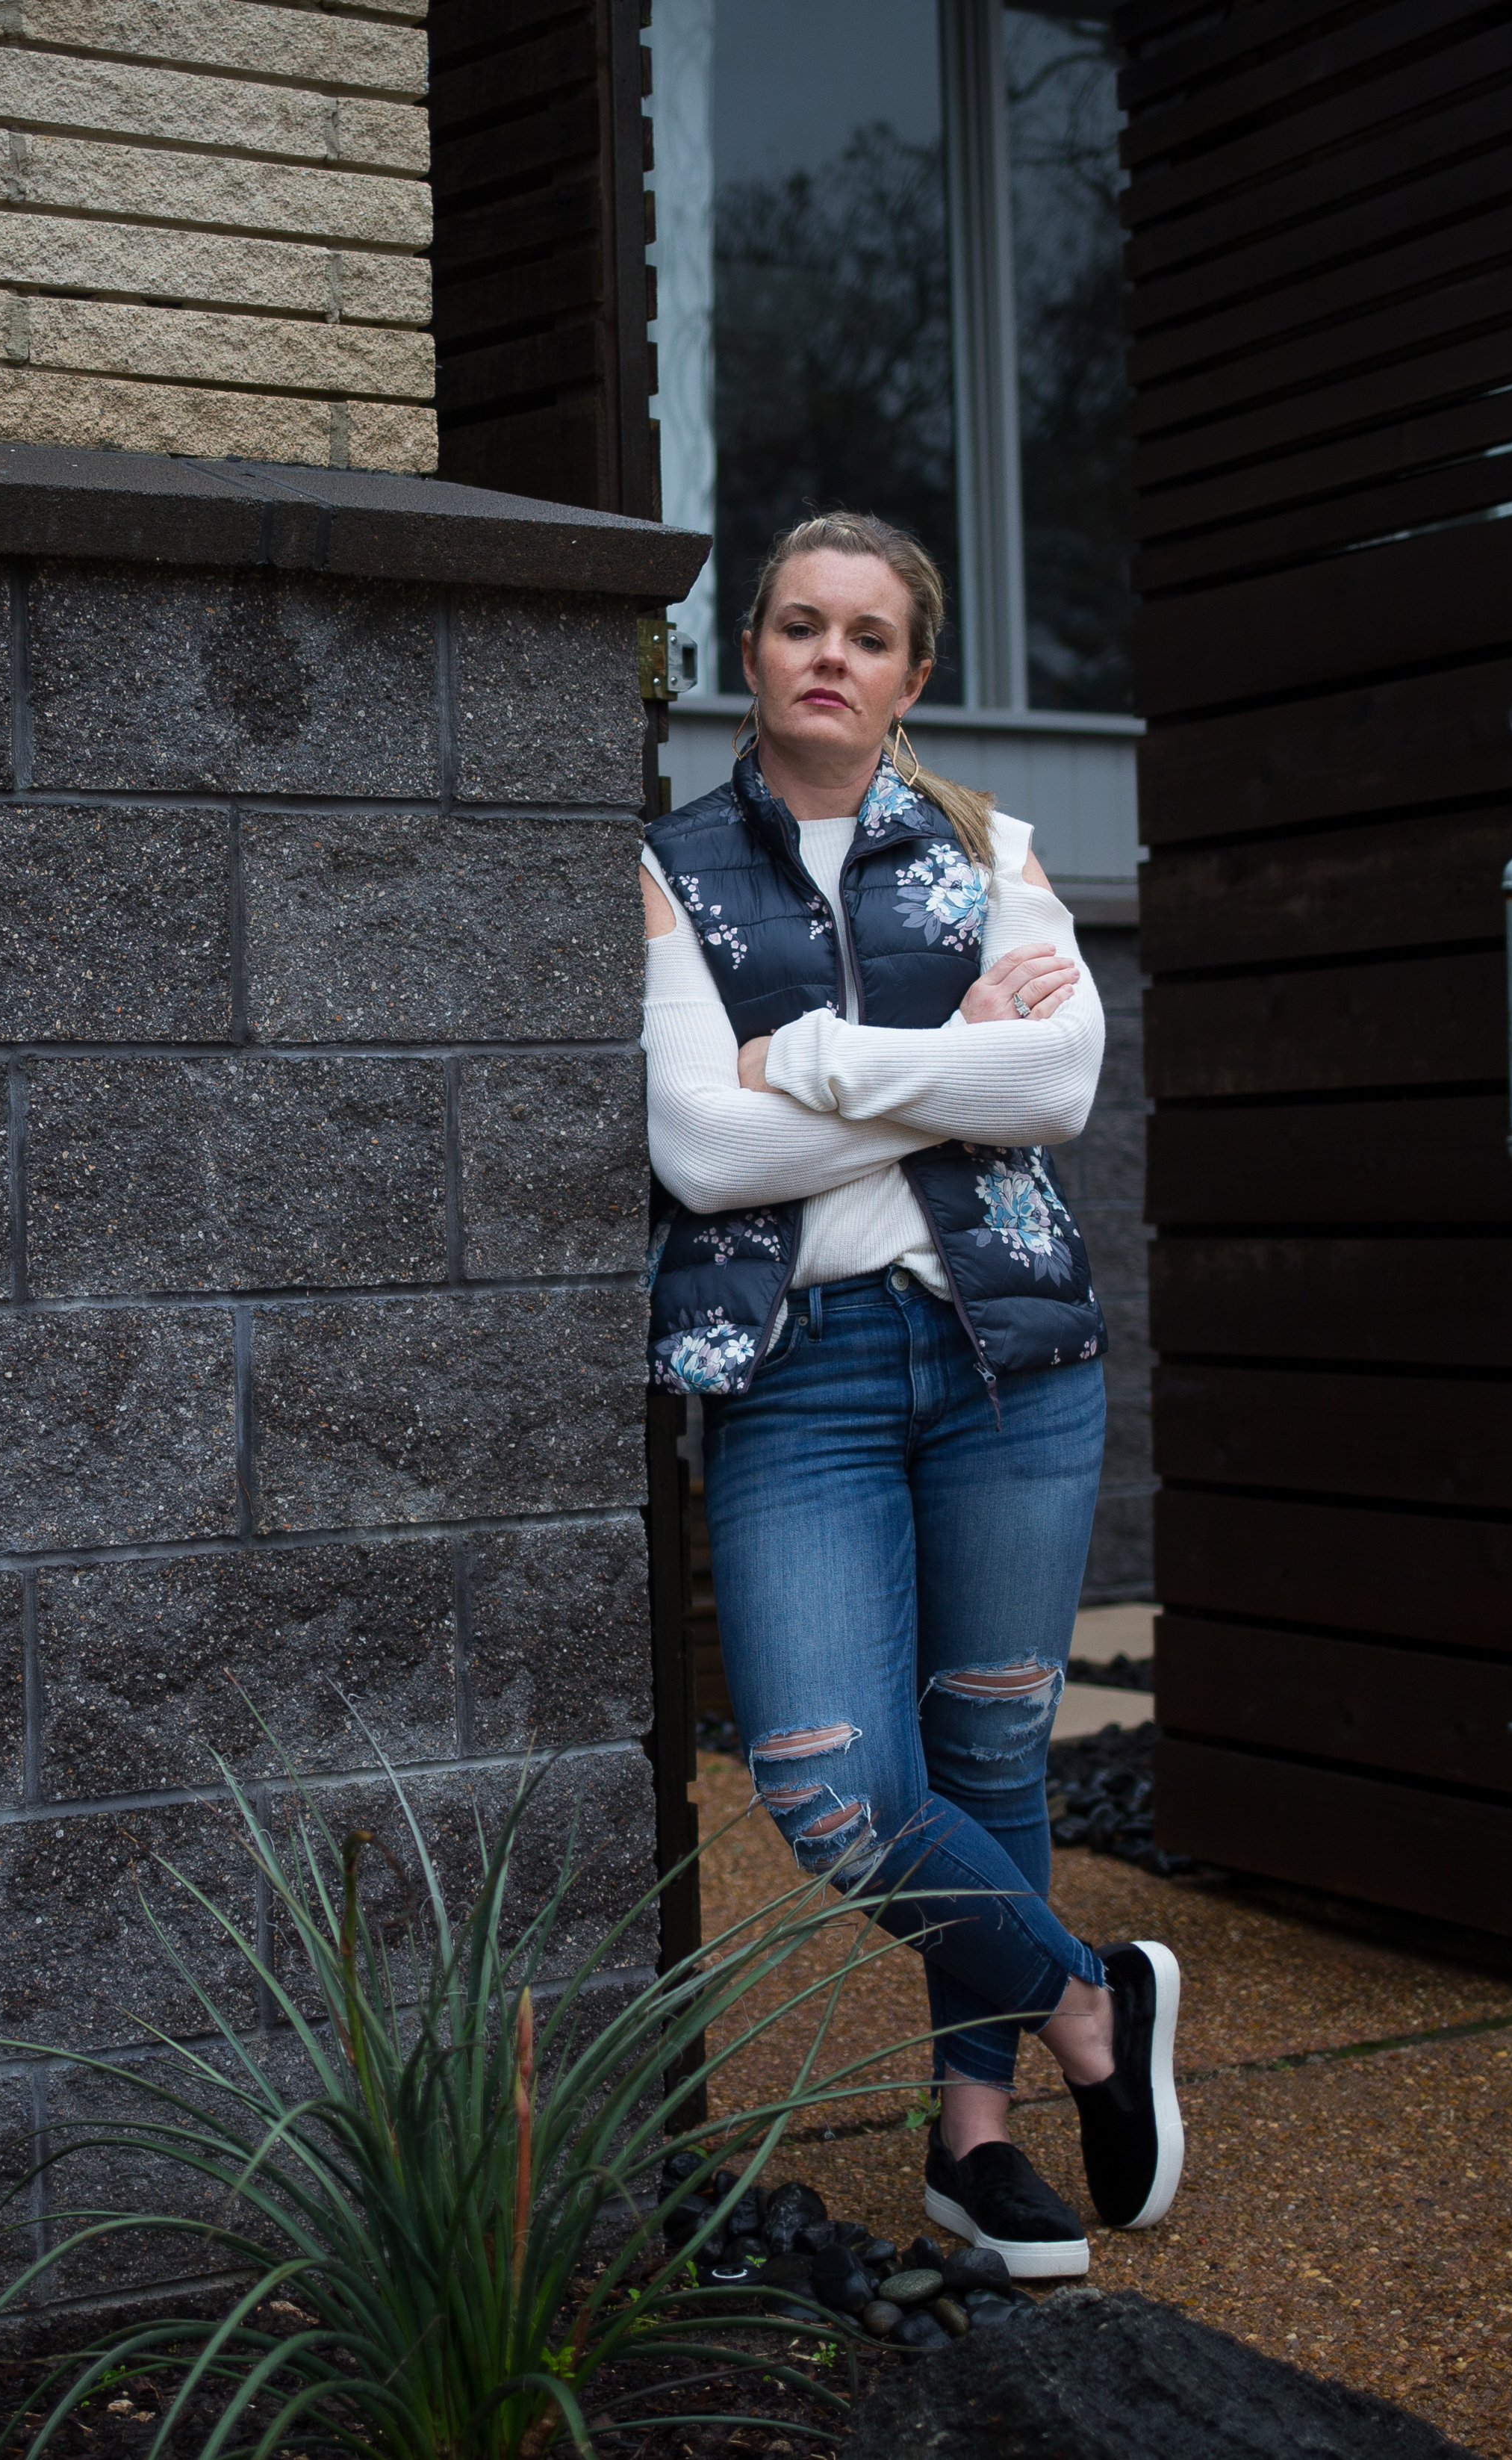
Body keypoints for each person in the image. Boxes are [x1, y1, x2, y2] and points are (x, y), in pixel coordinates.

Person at [640, 510, 1180, 2279]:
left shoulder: (981, 842)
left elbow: (1059, 1086)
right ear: (748, 654)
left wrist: (810, 1056)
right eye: (796, 624)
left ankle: (972, 2141)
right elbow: (701, 1152)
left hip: (1007, 1359)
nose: (826, 655)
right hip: (799, 1377)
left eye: (865, 637)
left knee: (990, 1749)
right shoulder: (671, 870)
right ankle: (1086, 2008)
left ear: (910, 677)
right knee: (827, 1785)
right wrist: (956, 1063)